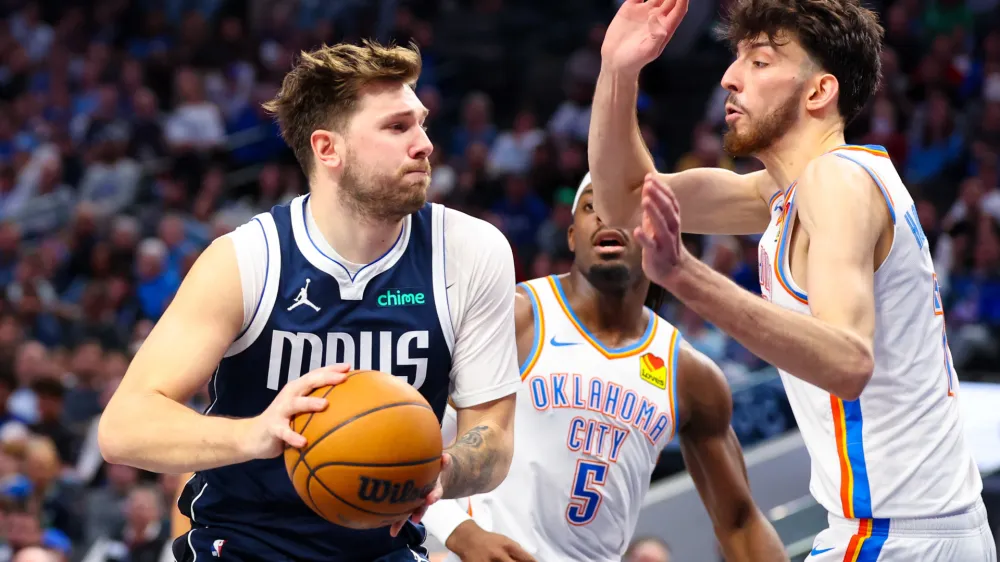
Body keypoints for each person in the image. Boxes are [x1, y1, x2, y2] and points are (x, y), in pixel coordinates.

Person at [589, 0, 998, 560]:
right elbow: (623, 203)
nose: (730, 78)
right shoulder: (786, 193)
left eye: (759, 62)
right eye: (737, 60)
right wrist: (618, 69)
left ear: (817, 92)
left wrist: (685, 275)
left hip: (900, 533)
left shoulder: (838, 181)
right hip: (898, 527)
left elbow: (848, 362)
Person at [98, 40, 522, 562]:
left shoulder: (470, 251)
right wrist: (256, 434)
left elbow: (494, 437)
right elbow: (123, 427)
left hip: (382, 547)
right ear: (328, 149)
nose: (424, 144)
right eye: (397, 127)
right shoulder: (248, 258)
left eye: (422, 123)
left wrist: (441, 469)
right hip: (244, 544)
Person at [421, 174, 787, 562]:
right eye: (591, 205)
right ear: (572, 235)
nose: (604, 218)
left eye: (623, 207)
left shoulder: (690, 375)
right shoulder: (515, 317)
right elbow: (412, 445)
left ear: (662, 233)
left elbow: (740, 522)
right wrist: (462, 534)